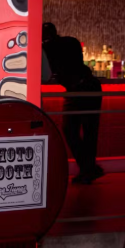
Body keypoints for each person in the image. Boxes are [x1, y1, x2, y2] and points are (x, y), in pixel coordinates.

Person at [44, 23, 104, 184]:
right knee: (89, 132)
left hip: (78, 89)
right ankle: (88, 169)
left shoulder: (48, 49)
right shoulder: (71, 41)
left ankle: (88, 169)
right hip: (90, 86)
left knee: (70, 129)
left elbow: (45, 74)